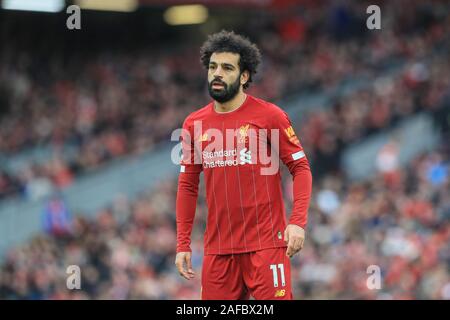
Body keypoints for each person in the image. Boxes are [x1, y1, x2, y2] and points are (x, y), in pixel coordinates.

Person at [175, 30, 312, 300]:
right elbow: (187, 186)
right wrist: (183, 243)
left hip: (267, 246)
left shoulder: (269, 116)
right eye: (213, 67)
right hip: (218, 252)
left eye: (227, 68)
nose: (217, 73)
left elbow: (301, 168)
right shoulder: (194, 124)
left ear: (244, 76)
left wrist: (297, 222)